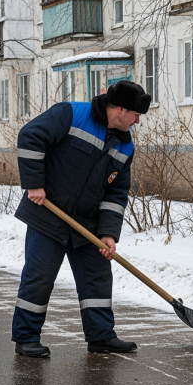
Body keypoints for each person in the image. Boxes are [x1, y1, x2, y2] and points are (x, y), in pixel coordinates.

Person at [12, 80, 151, 357]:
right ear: (120, 109)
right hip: (48, 214)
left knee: (97, 278)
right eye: (136, 115)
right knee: (39, 277)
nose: (137, 121)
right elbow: (30, 136)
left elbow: (116, 192)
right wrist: (34, 183)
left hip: (87, 223)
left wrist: (108, 233)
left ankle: (101, 336)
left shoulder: (125, 147)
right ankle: (26, 338)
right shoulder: (72, 114)